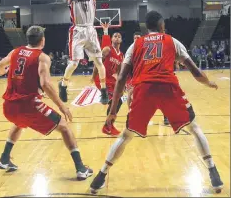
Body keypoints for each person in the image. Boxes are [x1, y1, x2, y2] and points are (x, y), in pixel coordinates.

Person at [90, 11, 223, 193]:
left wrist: (113, 111)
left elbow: (121, 78)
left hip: (144, 90)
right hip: (168, 88)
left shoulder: (135, 44)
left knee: (126, 136)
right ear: (162, 26)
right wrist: (208, 82)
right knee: (194, 127)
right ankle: (213, 171)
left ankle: (100, 176)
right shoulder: (171, 41)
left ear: (147, 28)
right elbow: (194, 71)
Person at [0, 26, 93, 180]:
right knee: (65, 127)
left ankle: (4, 158)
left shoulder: (15, 51)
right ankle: (81, 168)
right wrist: (62, 106)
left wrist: (2, 71)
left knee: (19, 123)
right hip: (29, 105)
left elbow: (1, 65)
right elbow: (46, 84)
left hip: (8, 106)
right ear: (43, 40)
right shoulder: (42, 57)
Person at [59, 0, 108, 105]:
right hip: (78, 30)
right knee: (74, 63)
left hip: (91, 29)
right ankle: (64, 85)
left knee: (99, 63)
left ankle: (104, 91)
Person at [92, 23, 124, 136]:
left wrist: (121, 85)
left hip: (112, 81)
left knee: (118, 101)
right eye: (115, 36)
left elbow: (120, 72)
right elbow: (97, 63)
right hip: (102, 80)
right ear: (111, 39)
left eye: (119, 36)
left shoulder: (121, 55)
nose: (117, 37)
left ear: (121, 40)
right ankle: (107, 126)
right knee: (116, 101)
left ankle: (108, 126)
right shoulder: (107, 49)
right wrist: (93, 76)